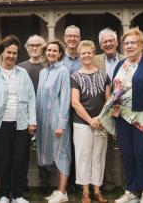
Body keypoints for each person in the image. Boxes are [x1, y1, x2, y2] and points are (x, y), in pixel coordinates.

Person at [99, 27, 143, 203]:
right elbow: (115, 92)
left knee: (142, 153)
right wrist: (108, 114)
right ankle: (131, 191)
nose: (129, 46)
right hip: (122, 117)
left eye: (133, 42)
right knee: (127, 154)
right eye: (126, 43)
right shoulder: (121, 65)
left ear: (142, 45)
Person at [0, 35, 37, 203]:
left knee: (20, 159)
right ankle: (3, 195)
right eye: (9, 52)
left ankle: (17, 195)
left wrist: (32, 121)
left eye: (14, 53)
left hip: (21, 123)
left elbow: (31, 98)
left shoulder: (23, 73)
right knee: (4, 160)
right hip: (1, 124)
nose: (11, 56)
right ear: (2, 52)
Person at [71, 40, 111, 203]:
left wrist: (100, 118)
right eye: (83, 53)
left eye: (89, 52)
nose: (86, 55)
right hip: (81, 123)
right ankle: (85, 192)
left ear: (93, 54)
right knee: (83, 157)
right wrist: (90, 120)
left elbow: (108, 100)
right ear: (79, 56)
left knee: (98, 157)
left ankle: (97, 190)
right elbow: (75, 102)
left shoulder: (104, 75)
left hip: (101, 122)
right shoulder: (75, 77)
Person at [36, 40, 71, 203]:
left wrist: (61, 124)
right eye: (48, 50)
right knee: (53, 155)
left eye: (54, 51)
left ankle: (63, 191)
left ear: (60, 54)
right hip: (44, 121)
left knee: (62, 153)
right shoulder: (44, 72)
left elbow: (65, 99)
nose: (51, 53)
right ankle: (58, 190)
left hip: (57, 120)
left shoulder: (63, 71)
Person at [93, 28, 125, 190]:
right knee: (104, 148)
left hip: (125, 110)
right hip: (103, 110)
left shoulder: (127, 59)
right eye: (104, 41)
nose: (108, 44)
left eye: (111, 40)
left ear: (117, 42)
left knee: (126, 146)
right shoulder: (94, 60)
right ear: (100, 45)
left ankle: (128, 185)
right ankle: (109, 184)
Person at [18, 34, 45, 192]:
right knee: (23, 152)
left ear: (43, 47)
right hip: (24, 115)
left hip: (44, 114)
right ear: (27, 48)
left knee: (44, 151)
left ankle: (45, 184)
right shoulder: (20, 67)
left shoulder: (47, 66)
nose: (35, 48)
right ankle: (23, 184)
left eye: (38, 45)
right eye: (31, 45)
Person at [63, 25, 81, 191]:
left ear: (79, 38)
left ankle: (80, 181)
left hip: (82, 108)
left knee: (79, 144)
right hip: (63, 109)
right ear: (64, 38)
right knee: (66, 144)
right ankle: (67, 182)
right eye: (69, 36)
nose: (72, 39)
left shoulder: (86, 58)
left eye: (76, 36)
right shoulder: (60, 59)